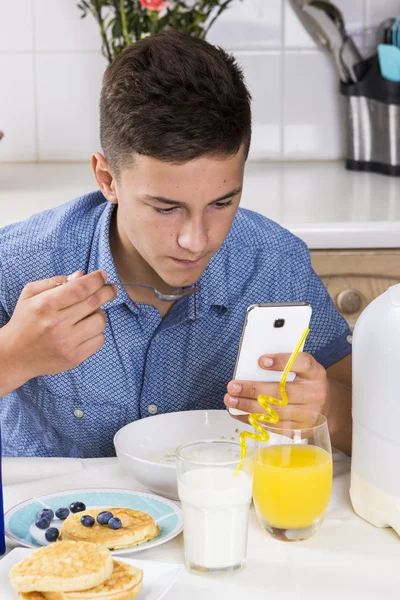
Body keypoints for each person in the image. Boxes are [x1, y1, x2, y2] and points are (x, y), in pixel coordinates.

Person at [0, 30, 352, 459]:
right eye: (166, 208)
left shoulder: (275, 264)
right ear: (108, 179)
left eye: (223, 202)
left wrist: (330, 409)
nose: (196, 240)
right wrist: (13, 357)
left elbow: (368, 415)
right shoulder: (18, 262)